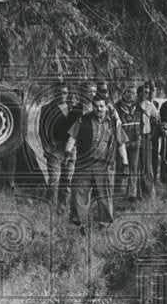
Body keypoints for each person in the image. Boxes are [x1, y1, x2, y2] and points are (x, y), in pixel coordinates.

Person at [65, 95, 128, 233]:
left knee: (104, 196)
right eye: (96, 106)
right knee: (78, 194)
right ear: (92, 106)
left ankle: (105, 226)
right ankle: (77, 225)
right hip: (84, 164)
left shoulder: (114, 123)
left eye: (101, 106)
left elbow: (121, 143)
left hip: (104, 165)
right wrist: (67, 153)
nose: (99, 109)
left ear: (106, 107)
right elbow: (72, 137)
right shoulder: (82, 120)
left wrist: (125, 163)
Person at [39, 83, 73, 207]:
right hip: (54, 148)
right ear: (54, 93)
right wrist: (46, 146)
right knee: (54, 179)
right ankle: (50, 205)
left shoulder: (72, 108)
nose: (62, 95)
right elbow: (42, 129)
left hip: (70, 148)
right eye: (60, 93)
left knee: (67, 178)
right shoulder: (47, 108)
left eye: (65, 93)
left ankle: (63, 205)